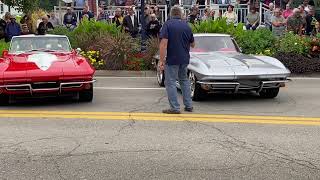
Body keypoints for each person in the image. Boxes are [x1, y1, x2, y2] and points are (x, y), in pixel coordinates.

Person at [159, 6, 195, 114]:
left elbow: (163, 44)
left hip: (172, 58)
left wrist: (161, 60)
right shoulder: (187, 26)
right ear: (180, 14)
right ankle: (188, 105)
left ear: (171, 14)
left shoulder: (168, 25)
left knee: (170, 82)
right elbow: (193, 44)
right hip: (184, 58)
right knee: (184, 80)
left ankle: (175, 107)